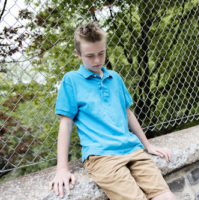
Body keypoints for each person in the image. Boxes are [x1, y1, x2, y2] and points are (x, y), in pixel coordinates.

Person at [49, 22, 176, 200]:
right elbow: (66, 123)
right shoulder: (71, 81)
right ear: (78, 54)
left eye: (101, 53)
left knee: (166, 196)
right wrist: (62, 168)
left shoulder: (114, 78)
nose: (97, 61)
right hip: (102, 157)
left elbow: (128, 113)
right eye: (90, 56)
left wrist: (147, 145)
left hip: (132, 149)